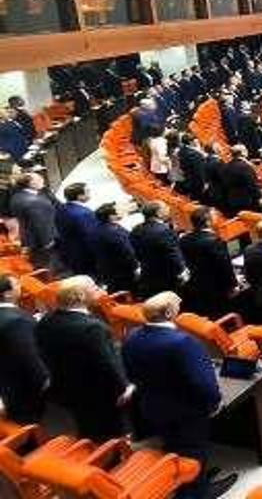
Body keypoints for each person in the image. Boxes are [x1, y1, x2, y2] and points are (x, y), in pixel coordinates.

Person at [121, 292, 234, 499]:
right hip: (186, 412)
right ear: (169, 313)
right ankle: (197, 492)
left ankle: (190, 481)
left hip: (152, 406)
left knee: (173, 447)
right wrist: (215, 403)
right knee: (193, 451)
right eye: (177, 306)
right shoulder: (182, 342)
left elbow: (130, 372)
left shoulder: (132, 336)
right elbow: (203, 384)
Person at [35, 276, 132, 441]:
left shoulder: (46, 321)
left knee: (87, 426)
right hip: (100, 394)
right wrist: (124, 387)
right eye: (94, 287)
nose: (99, 290)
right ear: (80, 296)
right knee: (109, 433)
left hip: (67, 388)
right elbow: (107, 363)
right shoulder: (92, 328)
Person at [0, 274, 49, 424]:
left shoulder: (14, 318)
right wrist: (47, 383)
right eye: (16, 285)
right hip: (25, 393)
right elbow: (31, 358)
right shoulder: (17, 321)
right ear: (7, 294)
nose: (20, 287)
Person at [178, 206, 237, 319]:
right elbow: (224, 267)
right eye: (214, 216)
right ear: (208, 222)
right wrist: (233, 286)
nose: (217, 218)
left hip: (197, 285)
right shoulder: (214, 241)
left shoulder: (184, 239)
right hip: (217, 288)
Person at [131, 201, 188, 296]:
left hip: (149, 275)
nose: (168, 209)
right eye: (165, 207)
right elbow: (173, 255)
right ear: (158, 213)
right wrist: (182, 272)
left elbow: (136, 252)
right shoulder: (163, 231)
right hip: (168, 277)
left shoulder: (136, 230)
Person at [9, 172, 60, 270]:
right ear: (31, 183)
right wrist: (47, 242)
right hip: (42, 240)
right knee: (49, 265)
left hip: (29, 238)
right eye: (39, 178)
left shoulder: (17, 196)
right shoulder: (35, 202)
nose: (42, 180)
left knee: (39, 262)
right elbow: (41, 224)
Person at [93, 203, 138, 294]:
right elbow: (127, 252)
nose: (122, 210)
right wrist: (136, 267)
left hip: (108, 269)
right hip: (122, 271)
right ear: (111, 216)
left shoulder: (100, 227)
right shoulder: (114, 233)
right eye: (118, 210)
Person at [53, 183, 97, 275]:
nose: (90, 193)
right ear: (80, 196)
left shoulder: (62, 208)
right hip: (85, 255)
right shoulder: (83, 213)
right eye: (87, 191)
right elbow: (91, 236)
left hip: (70, 253)